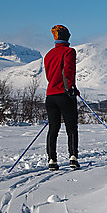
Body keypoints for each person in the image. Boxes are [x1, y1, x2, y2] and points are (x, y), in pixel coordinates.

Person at [44, 24, 79, 170]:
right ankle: (73, 157)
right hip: (64, 95)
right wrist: (70, 88)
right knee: (71, 128)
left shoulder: (48, 54)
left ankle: (52, 159)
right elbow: (68, 71)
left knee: (53, 128)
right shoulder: (69, 52)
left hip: (50, 96)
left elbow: (49, 75)